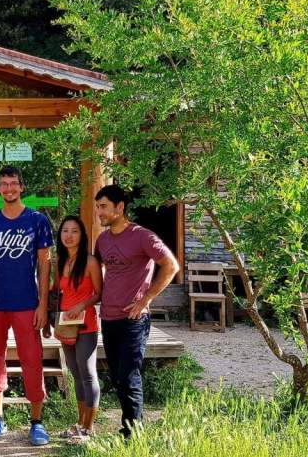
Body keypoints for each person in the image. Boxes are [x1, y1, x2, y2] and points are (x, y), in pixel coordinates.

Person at [0, 166, 54, 446]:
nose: (9, 188)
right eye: (4, 184)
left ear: (22, 187)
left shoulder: (37, 220)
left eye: (13, 183)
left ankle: (37, 421)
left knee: (32, 359)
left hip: (26, 302)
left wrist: (43, 305)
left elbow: (44, 265)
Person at [93, 185, 179, 438]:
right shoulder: (103, 240)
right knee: (117, 377)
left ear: (120, 207)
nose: (99, 212)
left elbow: (171, 266)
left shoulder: (142, 236)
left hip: (133, 319)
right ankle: (129, 425)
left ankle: (133, 433)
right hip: (108, 317)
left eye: (104, 206)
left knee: (128, 375)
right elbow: (98, 271)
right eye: (97, 207)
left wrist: (146, 299)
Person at [54, 216, 103, 443]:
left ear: (82, 235)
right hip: (66, 325)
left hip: (86, 324)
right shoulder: (61, 261)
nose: (69, 235)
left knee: (88, 373)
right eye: (65, 231)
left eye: (74, 231)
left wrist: (81, 305)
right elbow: (57, 292)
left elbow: (99, 293)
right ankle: (80, 423)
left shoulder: (90, 261)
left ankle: (89, 428)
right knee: (75, 373)